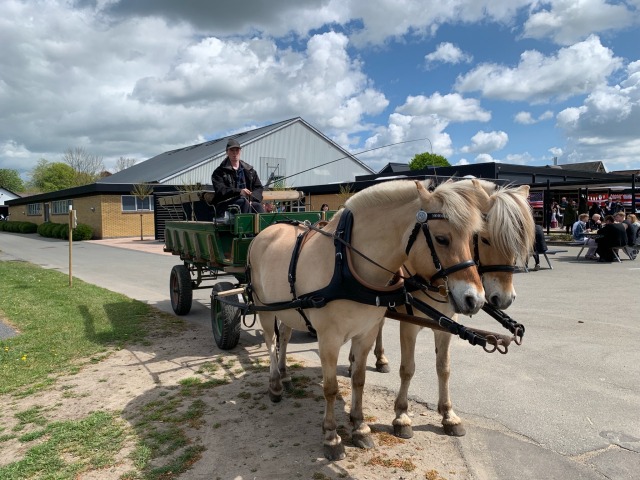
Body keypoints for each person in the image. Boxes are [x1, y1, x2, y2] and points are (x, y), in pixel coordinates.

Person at [211, 138, 264, 214]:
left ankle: (265, 226)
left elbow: (258, 187)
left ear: (240, 151)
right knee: (243, 203)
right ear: (227, 152)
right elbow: (221, 190)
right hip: (225, 204)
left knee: (257, 206)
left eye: (237, 150)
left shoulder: (250, 171)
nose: (234, 153)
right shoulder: (219, 172)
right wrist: (239, 192)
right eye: (232, 150)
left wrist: (251, 199)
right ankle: (245, 226)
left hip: (247, 201)